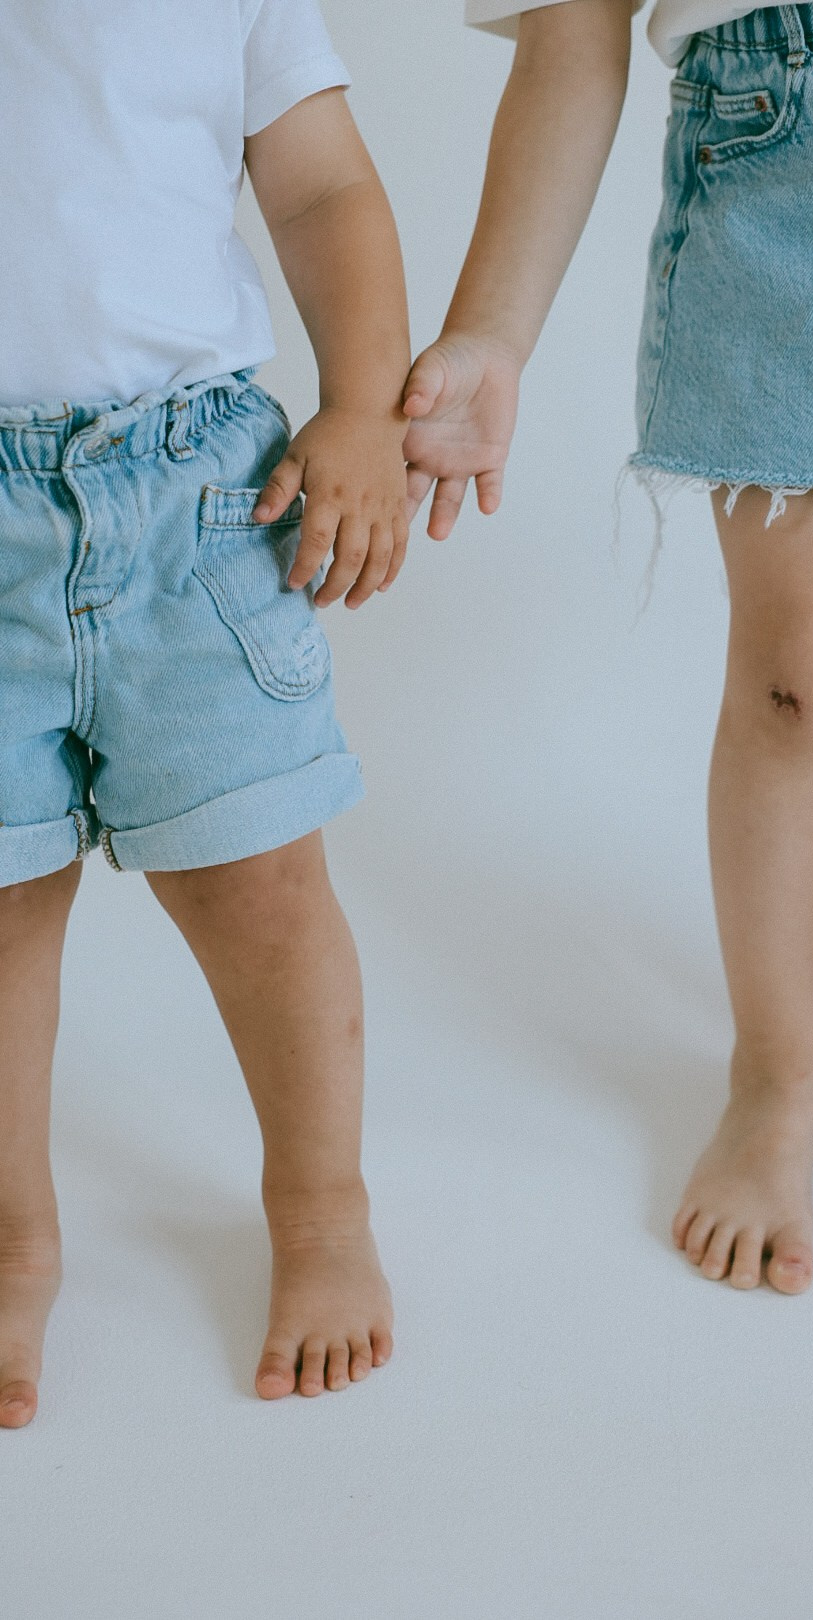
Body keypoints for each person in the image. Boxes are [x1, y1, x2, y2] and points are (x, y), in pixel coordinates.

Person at [402, 0, 813, 1293]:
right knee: (797, 677)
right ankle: (776, 1070)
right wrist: (494, 327)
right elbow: (572, 27)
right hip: (780, 162)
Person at [0, 0, 409, 1427]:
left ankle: (321, 1212)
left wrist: (361, 407)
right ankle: (13, 1243)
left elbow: (326, 185)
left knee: (267, 891)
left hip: (192, 499)